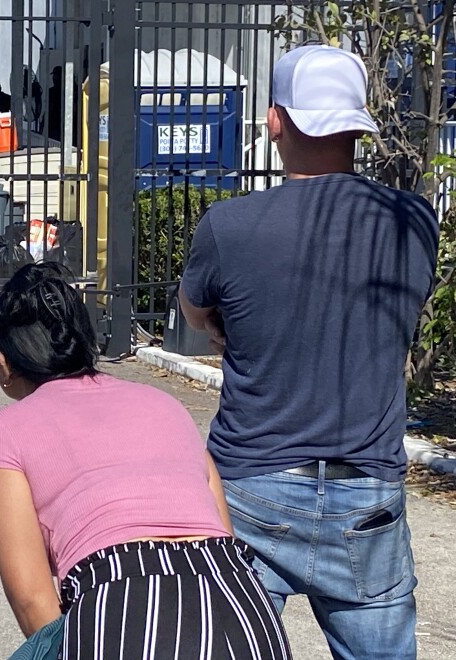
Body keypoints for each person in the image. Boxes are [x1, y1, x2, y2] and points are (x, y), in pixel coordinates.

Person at [179, 45, 440, 660]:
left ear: (275, 120)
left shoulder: (229, 224)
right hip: (366, 489)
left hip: (250, 487)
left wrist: (224, 330)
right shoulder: (413, 220)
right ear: (357, 124)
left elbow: (194, 311)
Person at [0, 263, 291, 659]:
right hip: (240, 603)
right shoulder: (164, 404)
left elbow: (33, 601)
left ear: (4, 359)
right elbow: (221, 530)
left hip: (124, 604)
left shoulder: (5, 431)